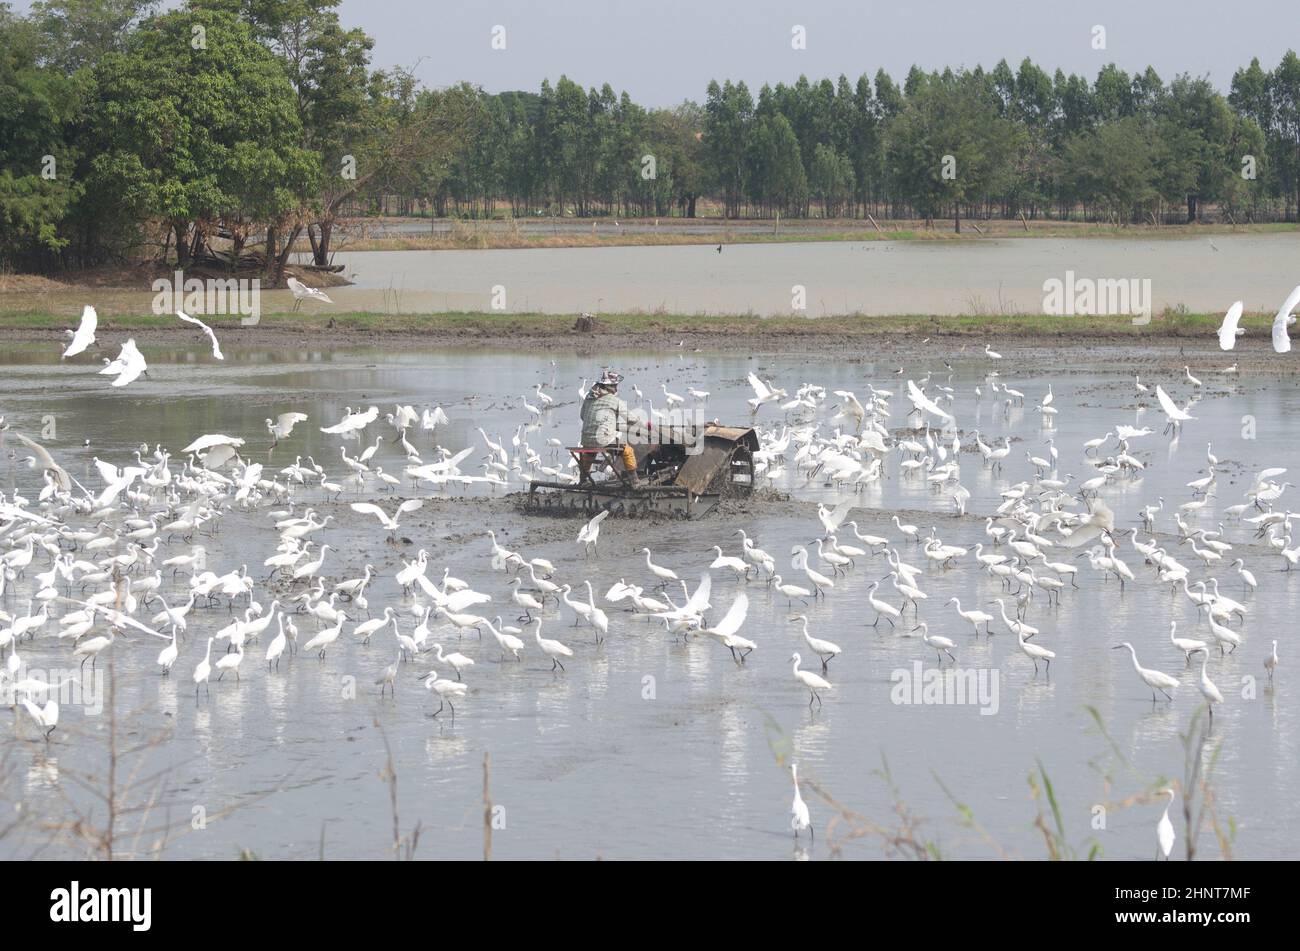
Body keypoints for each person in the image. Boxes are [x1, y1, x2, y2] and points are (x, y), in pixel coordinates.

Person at [578, 370, 642, 481]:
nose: (616, 389)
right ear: (607, 387)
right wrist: (639, 421)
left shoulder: (588, 398)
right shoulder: (614, 400)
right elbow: (631, 419)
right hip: (604, 440)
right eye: (614, 386)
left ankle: (583, 479)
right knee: (627, 451)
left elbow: (583, 416)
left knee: (589, 452)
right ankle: (635, 481)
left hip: (586, 439)